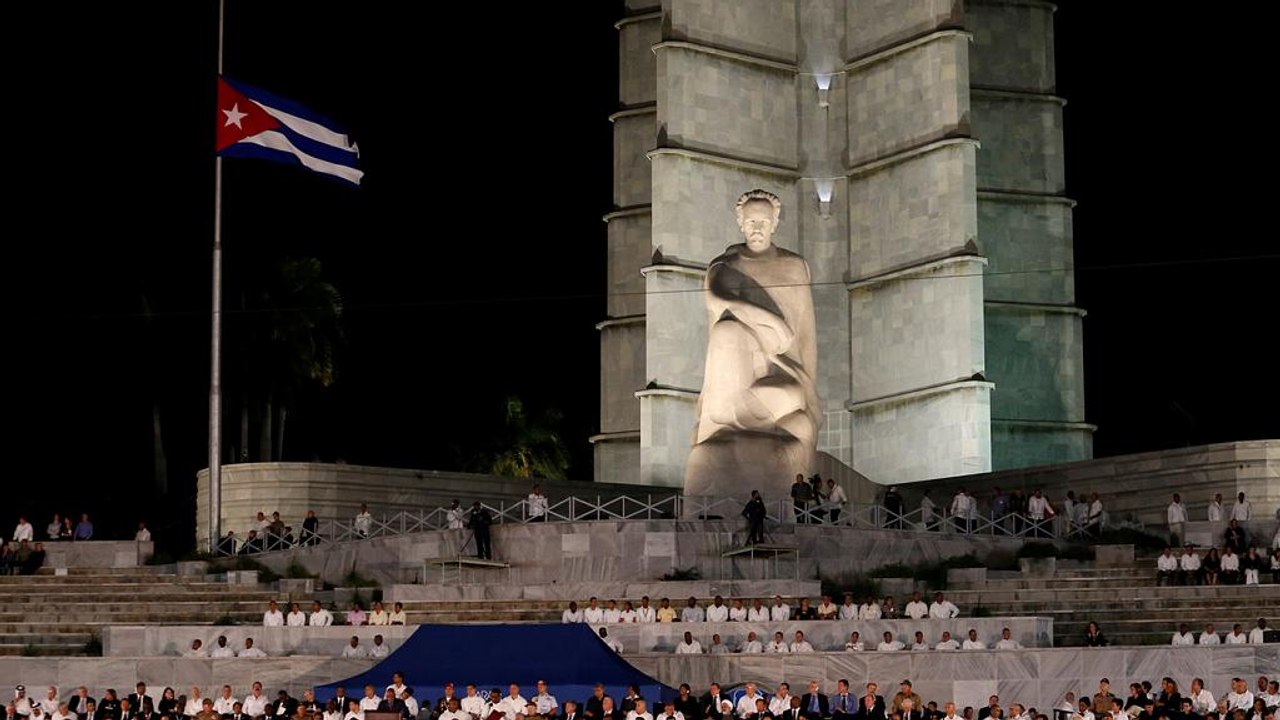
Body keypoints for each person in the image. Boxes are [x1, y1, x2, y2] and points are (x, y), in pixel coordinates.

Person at [684, 189, 821, 501]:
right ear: (740, 224)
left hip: (782, 373)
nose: (756, 228)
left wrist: (812, 390)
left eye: (763, 222)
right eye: (750, 222)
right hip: (737, 377)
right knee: (727, 331)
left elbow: (807, 336)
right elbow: (717, 297)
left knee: (796, 410)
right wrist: (768, 321)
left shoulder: (794, 267)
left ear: (774, 224)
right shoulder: (726, 266)